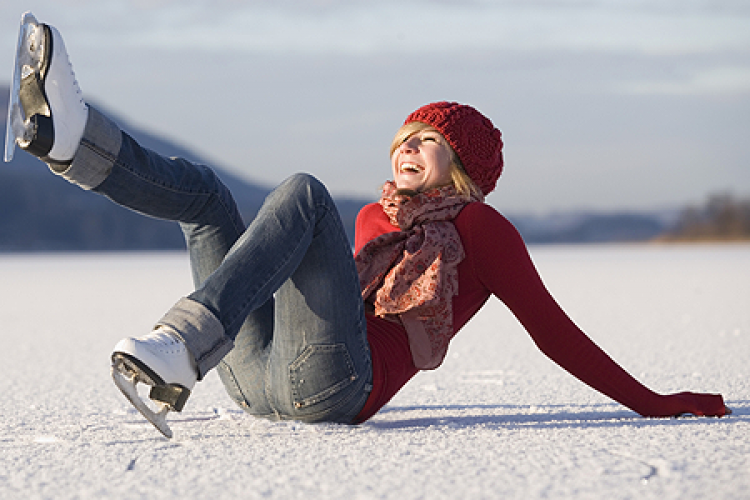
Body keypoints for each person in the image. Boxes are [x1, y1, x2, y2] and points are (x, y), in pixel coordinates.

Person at [7, 13, 730, 438]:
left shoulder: (482, 231)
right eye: (405, 136)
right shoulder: (372, 218)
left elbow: (552, 331)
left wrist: (655, 403)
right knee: (208, 199)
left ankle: (179, 345)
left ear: (463, 166)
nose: (407, 145)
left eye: (428, 140)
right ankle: (78, 144)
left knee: (302, 193)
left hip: (336, 393)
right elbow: (320, 305)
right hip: (257, 380)